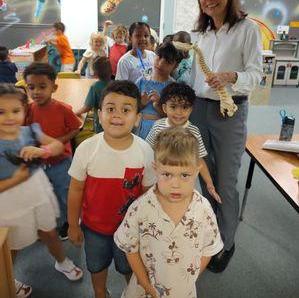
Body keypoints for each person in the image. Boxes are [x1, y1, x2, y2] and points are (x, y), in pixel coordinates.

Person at [190, 0, 262, 272]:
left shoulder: (247, 29)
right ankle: (210, 232)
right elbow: (194, 75)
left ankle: (226, 242)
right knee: (205, 177)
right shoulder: (201, 34)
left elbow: (256, 74)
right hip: (199, 109)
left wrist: (233, 76)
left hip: (229, 110)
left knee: (226, 181)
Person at [67, 80, 156, 298]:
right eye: (110, 109)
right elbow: (76, 190)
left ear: (137, 119)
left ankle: (133, 293)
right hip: (94, 227)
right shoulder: (86, 149)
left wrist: (145, 230)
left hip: (130, 228)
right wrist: (72, 225)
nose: (117, 115)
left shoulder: (144, 151)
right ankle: (100, 293)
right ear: (99, 114)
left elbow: (147, 194)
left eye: (125, 109)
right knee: (97, 266)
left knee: (130, 267)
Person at [114, 127, 223, 298]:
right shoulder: (140, 207)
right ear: (155, 169)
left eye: (185, 175)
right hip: (143, 290)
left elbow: (209, 248)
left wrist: (190, 278)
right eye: (167, 174)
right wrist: (146, 284)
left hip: (183, 291)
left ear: (196, 172)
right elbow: (130, 247)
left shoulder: (203, 208)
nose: (175, 184)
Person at [0, 84, 82, 298]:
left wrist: (41, 149)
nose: (9, 117)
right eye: (1, 112)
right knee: (11, 243)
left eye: (15, 111)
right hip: (8, 202)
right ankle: (8, 277)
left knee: (49, 231)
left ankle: (62, 262)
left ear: (24, 110)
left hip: (37, 192)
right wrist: (15, 179)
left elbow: (56, 145)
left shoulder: (31, 131)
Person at [23, 62, 82, 240]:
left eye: (42, 87)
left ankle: (69, 222)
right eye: (31, 87)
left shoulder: (63, 109)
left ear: (54, 87)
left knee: (64, 193)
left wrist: (59, 141)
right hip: (39, 163)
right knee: (43, 193)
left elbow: (75, 128)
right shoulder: (28, 110)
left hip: (61, 161)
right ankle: (46, 223)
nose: (36, 92)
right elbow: (25, 130)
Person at [146, 82, 221, 203]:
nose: (179, 112)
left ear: (191, 109)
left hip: (183, 181)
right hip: (159, 178)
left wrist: (209, 183)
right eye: (173, 107)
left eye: (185, 107)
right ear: (165, 108)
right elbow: (148, 150)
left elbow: (199, 159)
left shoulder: (194, 131)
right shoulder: (157, 126)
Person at [135, 42, 181, 139]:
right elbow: (130, 108)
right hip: (138, 130)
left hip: (162, 134)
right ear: (154, 54)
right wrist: (141, 103)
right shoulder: (141, 81)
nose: (160, 64)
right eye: (159, 57)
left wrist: (159, 106)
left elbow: (176, 118)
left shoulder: (174, 88)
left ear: (175, 66)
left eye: (167, 62)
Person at [76, 56, 112, 133]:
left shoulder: (95, 87)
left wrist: (76, 113)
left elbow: (87, 108)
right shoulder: (116, 84)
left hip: (101, 123)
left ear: (95, 72)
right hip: (113, 121)